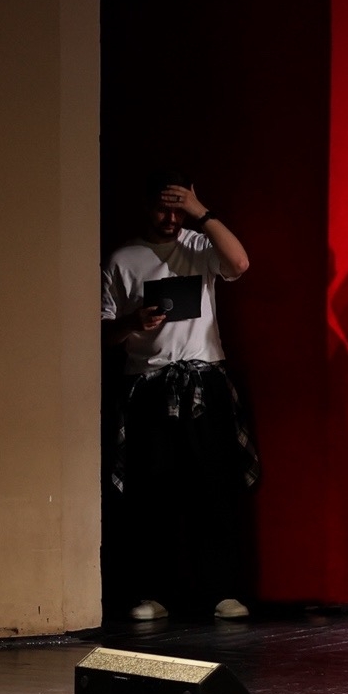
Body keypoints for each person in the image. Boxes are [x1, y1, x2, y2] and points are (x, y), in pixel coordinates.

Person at [101, 176, 259, 623]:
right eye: (162, 209)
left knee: (214, 487)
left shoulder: (199, 244)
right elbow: (102, 332)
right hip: (149, 383)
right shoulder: (123, 259)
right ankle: (154, 592)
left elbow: (240, 262)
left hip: (203, 380)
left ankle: (221, 591)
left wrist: (200, 212)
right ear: (145, 207)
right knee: (153, 493)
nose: (171, 218)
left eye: (177, 209)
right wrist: (134, 322)